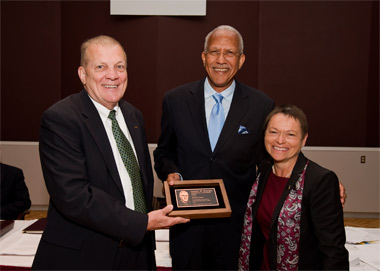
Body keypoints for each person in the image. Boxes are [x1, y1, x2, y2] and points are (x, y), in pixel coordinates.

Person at [32, 35, 189, 270]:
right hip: (85, 257)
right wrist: (141, 222)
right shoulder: (61, 119)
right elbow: (74, 195)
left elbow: (136, 183)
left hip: (137, 252)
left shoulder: (134, 116)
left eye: (119, 67)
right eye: (100, 67)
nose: (112, 75)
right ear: (83, 75)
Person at [154, 25, 275, 270]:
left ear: (241, 60)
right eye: (214, 52)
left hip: (236, 227)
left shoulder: (261, 105)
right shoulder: (175, 100)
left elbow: (272, 161)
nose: (221, 60)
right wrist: (171, 172)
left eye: (229, 53)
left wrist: (315, 183)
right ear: (203, 57)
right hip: (187, 226)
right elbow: (164, 152)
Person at [238, 104, 349, 270]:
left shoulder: (319, 180)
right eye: (273, 132)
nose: (280, 140)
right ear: (264, 135)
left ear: (304, 139)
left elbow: (333, 250)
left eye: (290, 134)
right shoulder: (264, 170)